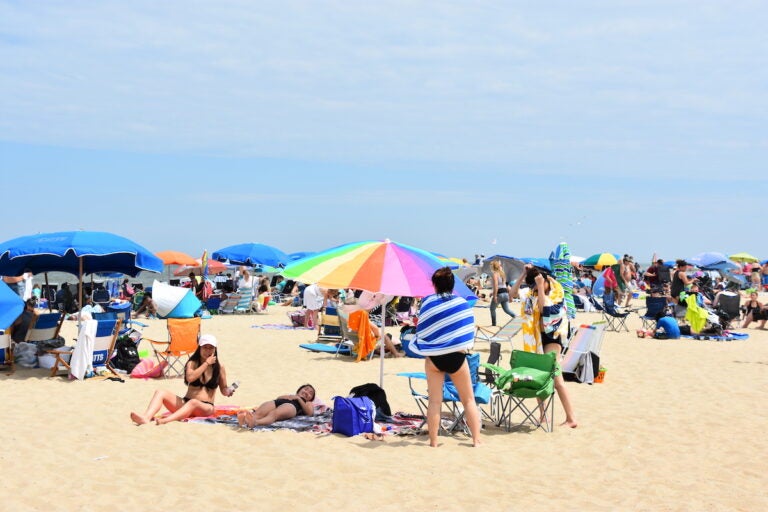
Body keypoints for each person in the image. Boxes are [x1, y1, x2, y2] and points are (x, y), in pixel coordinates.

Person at [409, 267, 481, 447]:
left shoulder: (427, 302)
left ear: (434, 285)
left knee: (434, 401)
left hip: (434, 358)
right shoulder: (461, 302)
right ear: (452, 284)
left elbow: (423, 327)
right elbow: (467, 325)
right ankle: (476, 440)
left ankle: (433, 441)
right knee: (468, 400)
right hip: (456, 357)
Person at [509, 264, 578, 428]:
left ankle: (571, 418)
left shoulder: (557, 293)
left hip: (552, 337)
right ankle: (543, 416)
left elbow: (545, 309)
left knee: (556, 377)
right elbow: (511, 295)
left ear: (546, 280)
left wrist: (540, 286)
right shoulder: (531, 293)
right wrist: (522, 275)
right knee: (537, 376)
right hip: (537, 337)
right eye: (532, 285)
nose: (535, 287)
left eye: (539, 283)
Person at [130, 334, 234, 425]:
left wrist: (229, 390)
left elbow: (223, 390)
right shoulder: (192, 363)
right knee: (160, 392)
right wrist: (206, 363)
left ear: (215, 349)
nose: (208, 351)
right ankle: (146, 418)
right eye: (205, 348)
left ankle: (167, 420)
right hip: (185, 403)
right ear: (200, 348)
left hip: (206, 408)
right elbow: (190, 378)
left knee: (194, 402)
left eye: (211, 348)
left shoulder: (219, 367)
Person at [236, 384, 316, 428]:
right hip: (278, 402)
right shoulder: (290, 395)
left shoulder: (307, 402)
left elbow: (310, 413)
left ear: (311, 398)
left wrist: (299, 399)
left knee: (274, 414)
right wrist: (289, 397)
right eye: (306, 389)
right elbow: (278, 398)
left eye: (310, 393)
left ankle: (256, 423)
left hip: (292, 406)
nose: (307, 392)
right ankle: (245, 422)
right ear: (299, 389)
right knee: (259, 412)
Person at [489, 260, 516, 326]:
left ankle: (494, 324)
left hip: (499, 294)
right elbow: (504, 286)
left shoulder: (495, 274)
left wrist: (495, 296)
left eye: (491, 266)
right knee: (507, 310)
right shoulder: (502, 273)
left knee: (492, 309)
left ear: (493, 267)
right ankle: (516, 317)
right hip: (505, 293)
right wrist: (510, 296)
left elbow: (496, 286)